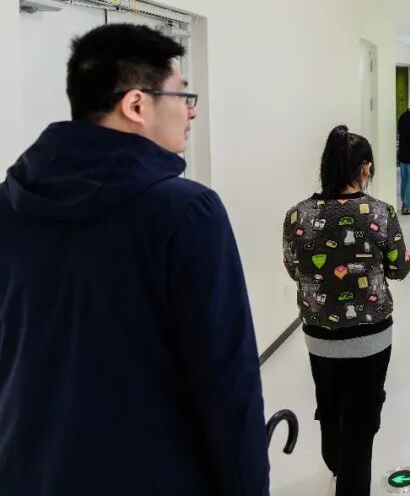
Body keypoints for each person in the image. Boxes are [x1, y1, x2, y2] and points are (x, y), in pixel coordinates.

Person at [0, 24, 269, 495]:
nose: (192, 110)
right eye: (183, 95)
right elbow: (229, 385)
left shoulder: (9, 203)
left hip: (27, 468)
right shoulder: (188, 212)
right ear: (137, 104)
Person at [283, 125, 410, 495]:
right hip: (370, 337)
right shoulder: (380, 213)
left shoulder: (297, 216)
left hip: (319, 335)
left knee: (329, 402)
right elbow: (400, 268)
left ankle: (335, 462)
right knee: (362, 417)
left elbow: (294, 268)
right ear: (364, 168)